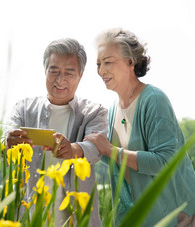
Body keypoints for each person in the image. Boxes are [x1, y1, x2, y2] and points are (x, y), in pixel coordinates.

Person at [85, 28, 195, 226]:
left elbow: (164, 161)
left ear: (130, 62)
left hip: (180, 217)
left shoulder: (154, 100)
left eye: (108, 62)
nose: (101, 71)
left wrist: (109, 149)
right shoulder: (112, 110)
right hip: (147, 219)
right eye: (98, 64)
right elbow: (119, 160)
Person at [5, 38, 108, 227]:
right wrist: (8, 140)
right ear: (45, 71)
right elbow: (6, 137)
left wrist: (75, 149)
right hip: (29, 217)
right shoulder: (23, 109)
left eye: (69, 73)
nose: (60, 80)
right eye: (54, 71)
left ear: (81, 75)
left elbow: (96, 148)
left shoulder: (94, 112)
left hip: (76, 220)